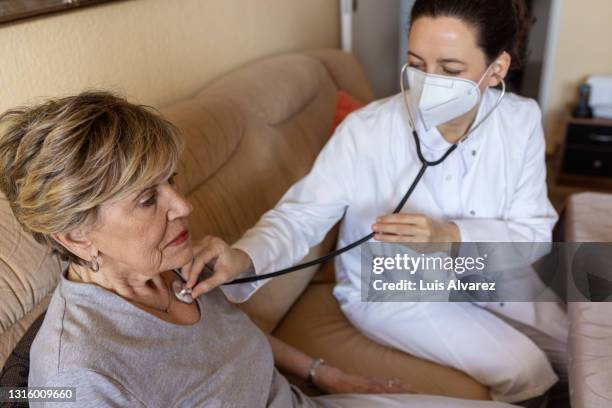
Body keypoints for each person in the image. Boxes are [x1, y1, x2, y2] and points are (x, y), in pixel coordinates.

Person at [0, 92, 517, 407]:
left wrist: (327, 374)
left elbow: (229, 338)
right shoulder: (78, 373)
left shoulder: (173, 265)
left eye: (172, 181)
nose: (182, 205)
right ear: (74, 235)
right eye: (146, 199)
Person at [185, 0, 568, 404]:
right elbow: (301, 215)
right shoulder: (367, 131)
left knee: (580, 339)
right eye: (417, 64)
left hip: (487, 272)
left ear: (497, 70)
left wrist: (449, 236)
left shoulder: (520, 120)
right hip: (393, 288)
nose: (428, 83)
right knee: (527, 369)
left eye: (451, 70)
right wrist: (244, 258)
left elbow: (533, 235)